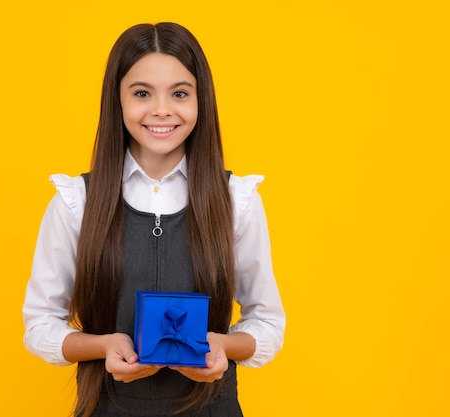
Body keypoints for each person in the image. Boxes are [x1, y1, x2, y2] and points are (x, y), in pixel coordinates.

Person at [22, 22, 286, 417]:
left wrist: (223, 346)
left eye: (179, 93)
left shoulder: (237, 200)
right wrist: (104, 346)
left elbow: (267, 322)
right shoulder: (76, 201)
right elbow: (40, 324)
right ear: (118, 100)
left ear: (202, 100)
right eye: (142, 93)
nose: (161, 110)